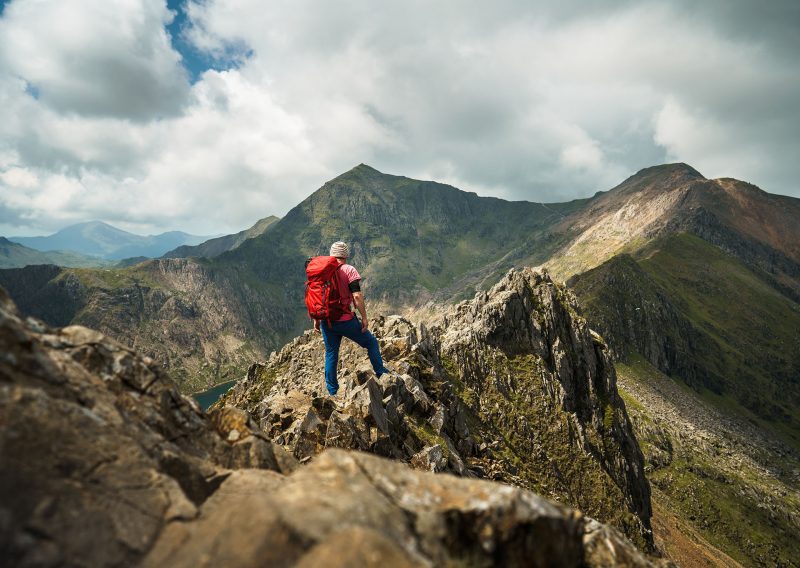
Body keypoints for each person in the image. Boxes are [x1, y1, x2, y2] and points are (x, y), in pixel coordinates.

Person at [314, 241, 390, 396]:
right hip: (345, 320)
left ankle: (332, 392)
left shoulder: (322, 271)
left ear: (331, 255)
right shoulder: (349, 270)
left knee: (331, 353)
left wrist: (316, 319)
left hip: (326, 321)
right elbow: (356, 295)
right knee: (371, 342)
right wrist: (364, 318)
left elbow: (316, 297)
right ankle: (382, 373)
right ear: (346, 255)